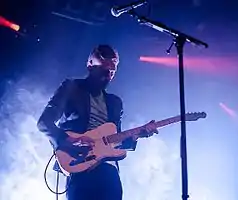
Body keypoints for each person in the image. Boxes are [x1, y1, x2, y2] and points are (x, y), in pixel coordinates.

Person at [37, 44, 158, 200]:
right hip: (79, 164)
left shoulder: (115, 103)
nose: (107, 76)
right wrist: (68, 140)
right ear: (90, 65)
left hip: (108, 170)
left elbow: (116, 142)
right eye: (103, 70)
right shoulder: (71, 88)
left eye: (112, 72)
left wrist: (136, 136)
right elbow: (44, 123)